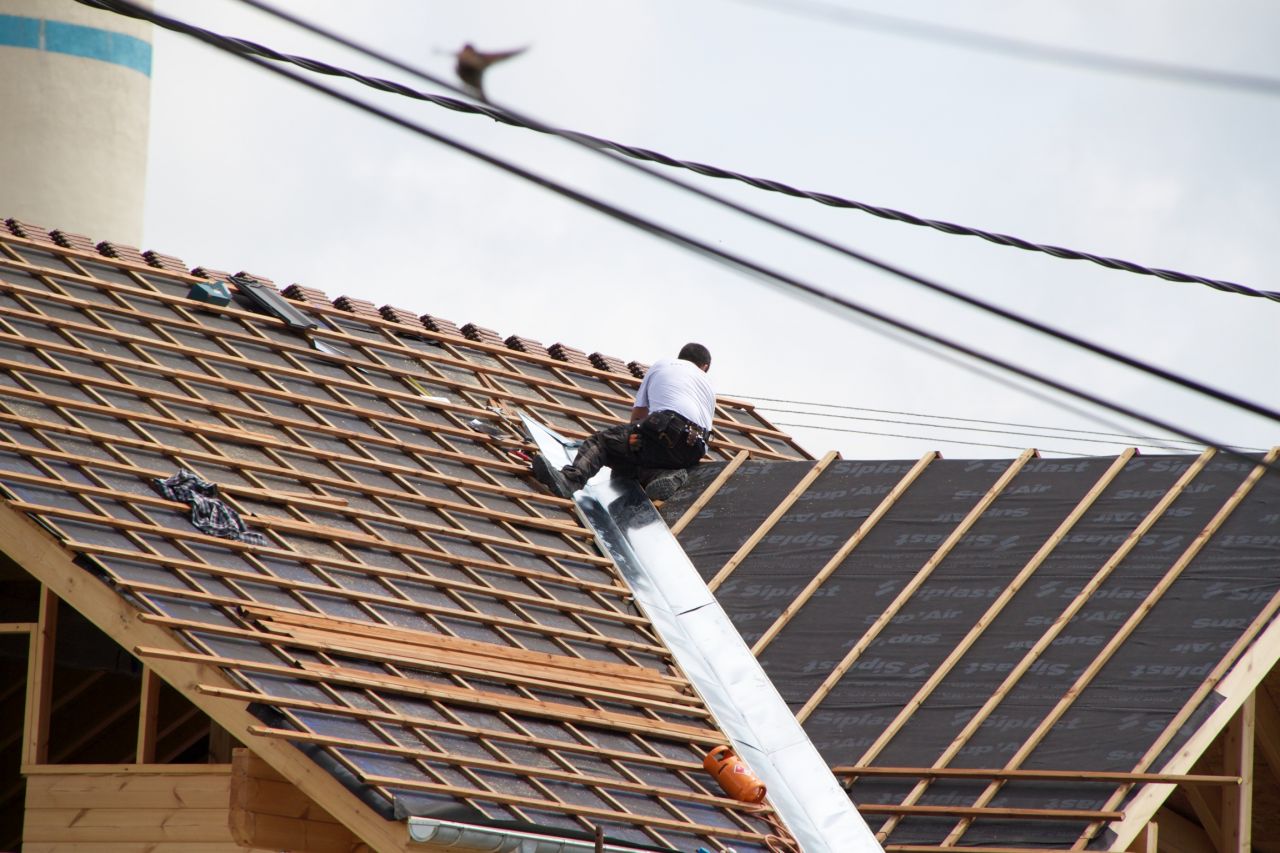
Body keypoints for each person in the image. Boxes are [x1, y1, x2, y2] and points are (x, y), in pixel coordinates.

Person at [533, 343, 715, 501]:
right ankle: (663, 475)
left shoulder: (663, 364)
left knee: (602, 443)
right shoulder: (709, 387)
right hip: (692, 453)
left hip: (666, 428)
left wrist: (631, 438)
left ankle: (569, 481)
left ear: (681, 357)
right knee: (625, 465)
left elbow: (638, 417)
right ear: (705, 367)